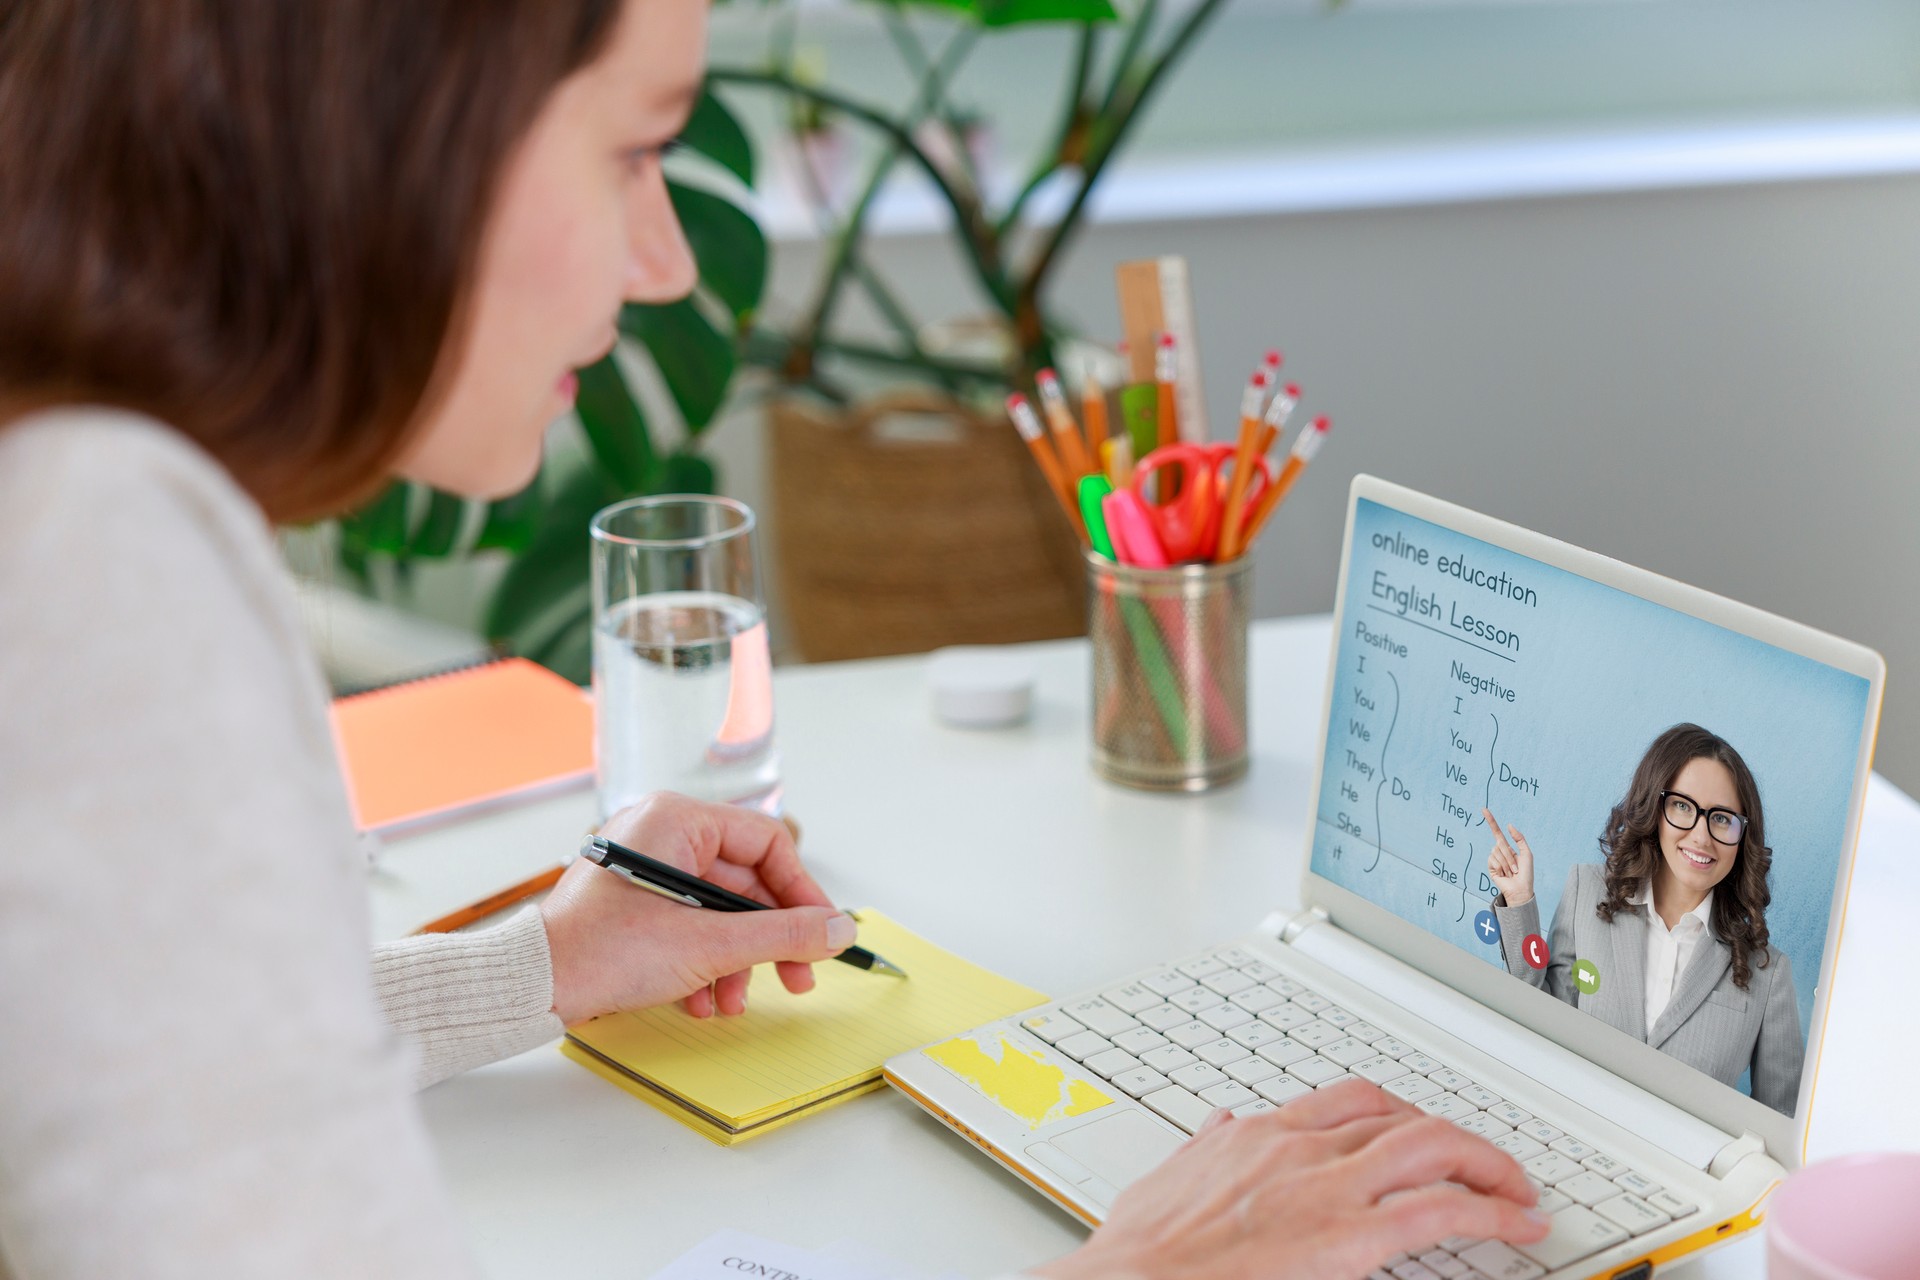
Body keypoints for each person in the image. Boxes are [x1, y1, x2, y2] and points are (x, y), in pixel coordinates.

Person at [0, 2, 1551, 1276]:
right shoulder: (101, 552)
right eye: (635, 150)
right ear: (383, 131)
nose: (668, 262)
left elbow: (105, 1074)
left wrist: (549, 963)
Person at [1485, 723, 1803, 1114]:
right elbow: (1538, 1019)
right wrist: (1519, 901)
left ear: (1743, 835)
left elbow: (1780, 1121)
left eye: (1721, 818)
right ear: (1656, 808)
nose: (1702, 837)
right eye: (1683, 807)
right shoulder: (1587, 892)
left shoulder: (1768, 974)